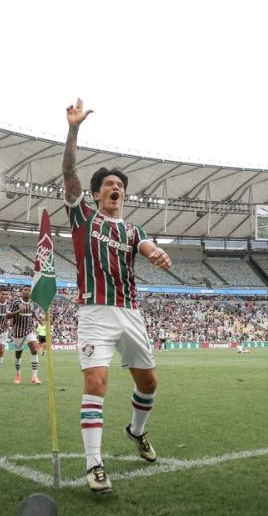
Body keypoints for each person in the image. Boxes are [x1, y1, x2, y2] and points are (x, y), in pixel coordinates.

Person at [62, 98, 173, 494]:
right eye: (109, 185)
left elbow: (146, 248)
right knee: (96, 382)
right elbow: (69, 172)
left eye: (120, 187)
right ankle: (94, 465)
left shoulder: (133, 231)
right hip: (94, 311)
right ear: (94, 195)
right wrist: (74, 128)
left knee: (149, 384)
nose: (116, 189)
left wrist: (156, 253)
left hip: (129, 312)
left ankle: (135, 430)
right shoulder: (82, 217)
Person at [5, 286, 42, 385]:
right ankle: (18, 374)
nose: (27, 292)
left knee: (34, 349)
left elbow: (33, 313)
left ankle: (34, 376)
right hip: (18, 331)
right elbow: (7, 316)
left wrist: (38, 318)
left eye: (29, 290)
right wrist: (19, 311)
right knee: (18, 354)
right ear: (22, 291)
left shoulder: (32, 303)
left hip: (29, 329)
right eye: (25, 290)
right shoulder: (16, 302)